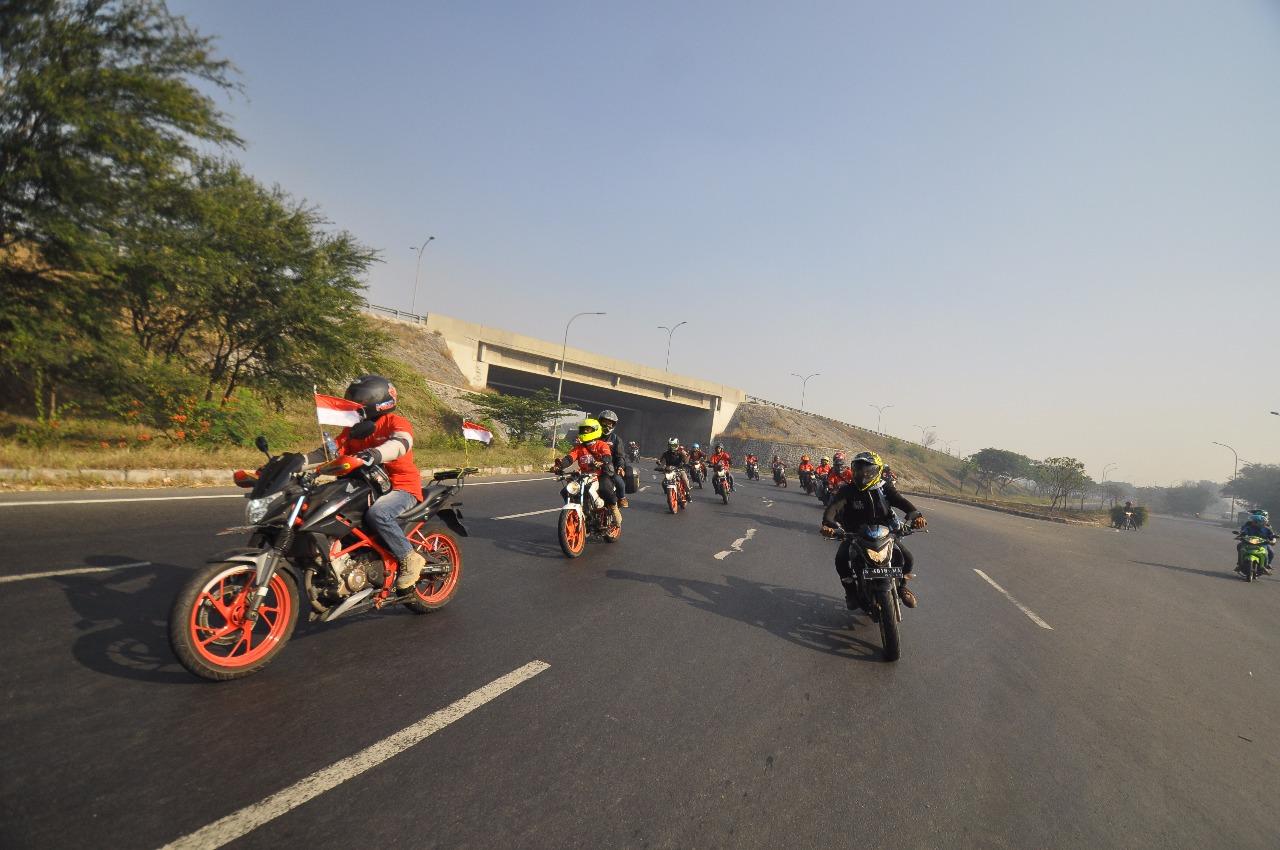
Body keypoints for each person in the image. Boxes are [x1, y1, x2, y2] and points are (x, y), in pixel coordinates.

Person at [305, 375, 425, 590]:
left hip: (401, 487)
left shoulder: (395, 422)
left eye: (358, 400)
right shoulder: (354, 429)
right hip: (367, 487)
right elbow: (328, 452)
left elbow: (401, 443)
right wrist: (295, 463)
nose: (353, 404)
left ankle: (409, 557)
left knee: (379, 514)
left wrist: (375, 454)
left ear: (377, 401)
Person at [820, 450, 927, 609]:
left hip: (885, 533)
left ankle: (902, 587)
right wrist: (828, 525)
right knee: (841, 560)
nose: (862, 474)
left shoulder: (884, 488)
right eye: (858, 470)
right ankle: (850, 591)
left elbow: (900, 501)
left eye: (867, 470)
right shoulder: (847, 490)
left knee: (908, 558)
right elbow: (833, 508)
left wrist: (916, 516)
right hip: (855, 534)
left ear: (877, 471)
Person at [551, 418, 622, 527]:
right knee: (565, 491)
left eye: (588, 430)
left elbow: (607, 456)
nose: (585, 432)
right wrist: (559, 466)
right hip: (583, 476)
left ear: (596, 430)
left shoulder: (601, 445)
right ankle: (577, 511)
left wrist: (602, 461)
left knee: (605, 488)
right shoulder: (579, 448)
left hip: (600, 474)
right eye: (583, 429)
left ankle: (613, 507)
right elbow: (569, 458)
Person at [597, 409, 629, 508]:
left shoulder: (616, 439)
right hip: (592, 467)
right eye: (604, 423)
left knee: (619, 481)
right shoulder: (593, 437)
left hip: (610, 469)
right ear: (599, 423)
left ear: (613, 425)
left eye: (609, 424)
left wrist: (620, 467)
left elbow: (620, 456)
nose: (607, 426)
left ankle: (622, 498)